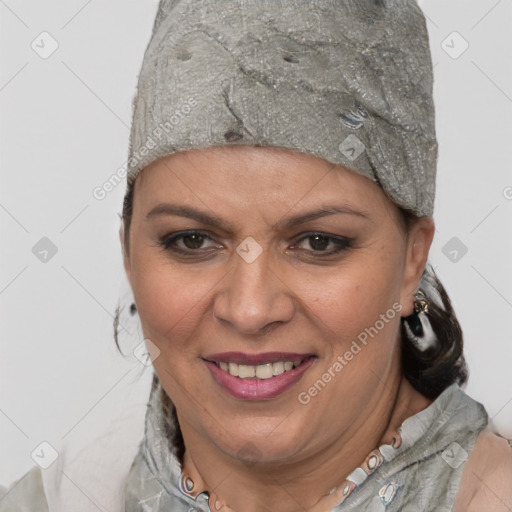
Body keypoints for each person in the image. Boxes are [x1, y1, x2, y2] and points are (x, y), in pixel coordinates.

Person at [1, 0, 511, 511]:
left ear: (411, 262)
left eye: (318, 242)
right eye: (192, 240)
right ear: (130, 257)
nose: (249, 310)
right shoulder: (61, 499)